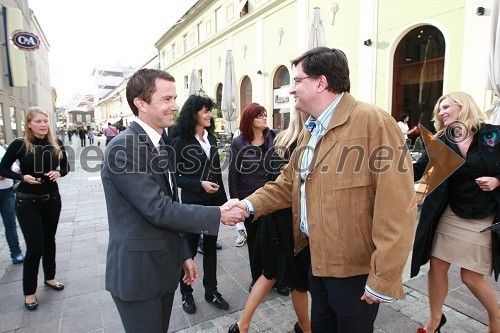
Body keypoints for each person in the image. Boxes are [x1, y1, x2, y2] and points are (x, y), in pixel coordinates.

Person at [228, 47, 416, 332]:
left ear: (321, 82)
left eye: (297, 81)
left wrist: (384, 278)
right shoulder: (310, 129)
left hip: (355, 270)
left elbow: (398, 206)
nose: (292, 90)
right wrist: (247, 205)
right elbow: (288, 182)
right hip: (316, 260)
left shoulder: (375, 123)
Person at [101, 68, 248, 333]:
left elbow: (169, 201)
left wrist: (183, 254)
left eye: (174, 98)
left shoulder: (161, 144)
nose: (175, 106)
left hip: (162, 267)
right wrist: (217, 214)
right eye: (167, 99)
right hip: (139, 274)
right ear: (141, 103)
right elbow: (158, 209)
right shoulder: (124, 147)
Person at [411, 92, 500, 333]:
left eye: (446, 106)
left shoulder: (493, 133)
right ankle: (435, 321)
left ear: (464, 106)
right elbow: (418, 169)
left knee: (470, 277)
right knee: (437, 265)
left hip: (485, 215)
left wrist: (497, 180)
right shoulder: (440, 141)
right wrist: (389, 172)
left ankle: (496, 320)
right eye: (439, 109)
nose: (441, 112)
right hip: (452, 212)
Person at [229, 108, 311, 333]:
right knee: (297, 279)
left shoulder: (279, 140)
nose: (265, 119)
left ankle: (242, 325)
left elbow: (271, 179)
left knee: (271, 273)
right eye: (260, 115)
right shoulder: (300, 143)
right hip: (290, 220)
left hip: (272, 214)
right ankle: (305, 328)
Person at [0, 107, 69, 311]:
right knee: (35, 246)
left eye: (45, 121)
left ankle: (50, 277)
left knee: (49, 240)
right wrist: (22, 177)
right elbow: (2, 168)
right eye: (38, 121)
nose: (43, 124)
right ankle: (29, 292)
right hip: (27, 201)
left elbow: (65, 167)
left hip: (52, 199)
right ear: (29, 124)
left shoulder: (55, 144)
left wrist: (59, 173)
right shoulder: (19, 145)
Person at [171, 94, 230, 314]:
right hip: (193, 205)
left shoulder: (211, 138)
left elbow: (216, 171)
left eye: (210, 111)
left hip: (213, 204)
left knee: (211, 250)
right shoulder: (179, 142)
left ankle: (211, 291)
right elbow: (173, 177)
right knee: (190, 252)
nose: (209, 115)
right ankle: (186, 294)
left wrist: (226, 204)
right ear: (193, 113)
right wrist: (199, 184)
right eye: (205, 111)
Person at [228, 103, 285, 293]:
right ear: (249, 119)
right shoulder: (239, 142)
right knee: (254, 242)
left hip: (272, 197)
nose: (264, 118)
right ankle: (256, 278)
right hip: (249, 199)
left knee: (274, 240)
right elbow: (233, 174)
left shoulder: (274, 136)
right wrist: (236, 202)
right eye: (260, 116)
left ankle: (276, 279)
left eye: (265, 115)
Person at [0, 128, 24, 265]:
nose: (1, 134)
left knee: (11, 223)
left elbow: (13, 166)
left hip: (7, 191)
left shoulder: (4, 148)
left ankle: (16, 253)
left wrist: (18, 171)